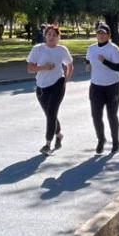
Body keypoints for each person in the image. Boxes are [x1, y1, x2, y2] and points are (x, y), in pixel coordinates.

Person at [27, 25, 74, 155]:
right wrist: (44, 67)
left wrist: (65, 80)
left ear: (59, 37)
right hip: (41, 87)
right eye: (49, 34)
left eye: (54, 35)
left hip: (58, 84)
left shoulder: (62, 50)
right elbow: (30, 68)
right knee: (50, 114)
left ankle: (48, 144)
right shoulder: (38, 49)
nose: (51, 37)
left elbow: (70, 66)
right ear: (45, 35)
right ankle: (59, 134)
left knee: (52, 113)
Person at [86, 23, 119, 155]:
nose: (100, 35)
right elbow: (88, 60)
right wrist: (88, 66)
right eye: (98, 33)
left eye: (103, 33)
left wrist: (104, 62)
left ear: (108, 35)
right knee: (96, 115)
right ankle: (101, 139)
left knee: (111, 115)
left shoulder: (113, 49)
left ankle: (116, 143)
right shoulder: (91, 48)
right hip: (96, 86)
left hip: (113, 86)